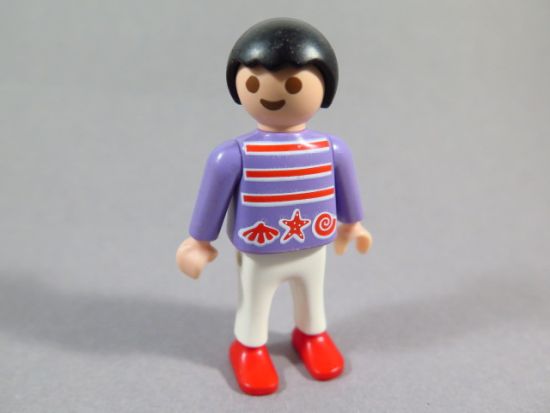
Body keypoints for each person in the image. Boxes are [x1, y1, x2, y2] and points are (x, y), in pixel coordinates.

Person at [176, 17, 372, 396]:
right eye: (253, 82)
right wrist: (198, 241)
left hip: (312, 242)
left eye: (294, 84)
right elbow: (213, 197)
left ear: (324, 88)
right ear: (238, 86)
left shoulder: (331, 150)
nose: (270, 93)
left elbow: (347, 190)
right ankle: (248, 347)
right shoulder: (235, 155)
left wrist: (353, 224)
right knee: (255, 299)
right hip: (260, 249)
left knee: (312, 293)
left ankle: (312, 335)